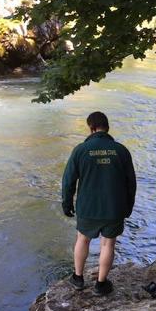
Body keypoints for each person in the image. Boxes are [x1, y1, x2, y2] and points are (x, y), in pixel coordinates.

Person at [62, 111, 136, 296]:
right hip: (114, 208)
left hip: (87, 207)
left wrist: (67, 203)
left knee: (82, 239)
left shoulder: (80, 150)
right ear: (107, 127)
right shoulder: (121, 150)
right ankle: (101, 284)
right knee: (108, 244)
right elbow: (131, 183)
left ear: (91, 128)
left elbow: (68, 181)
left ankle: (78, 278)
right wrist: (128, 207)